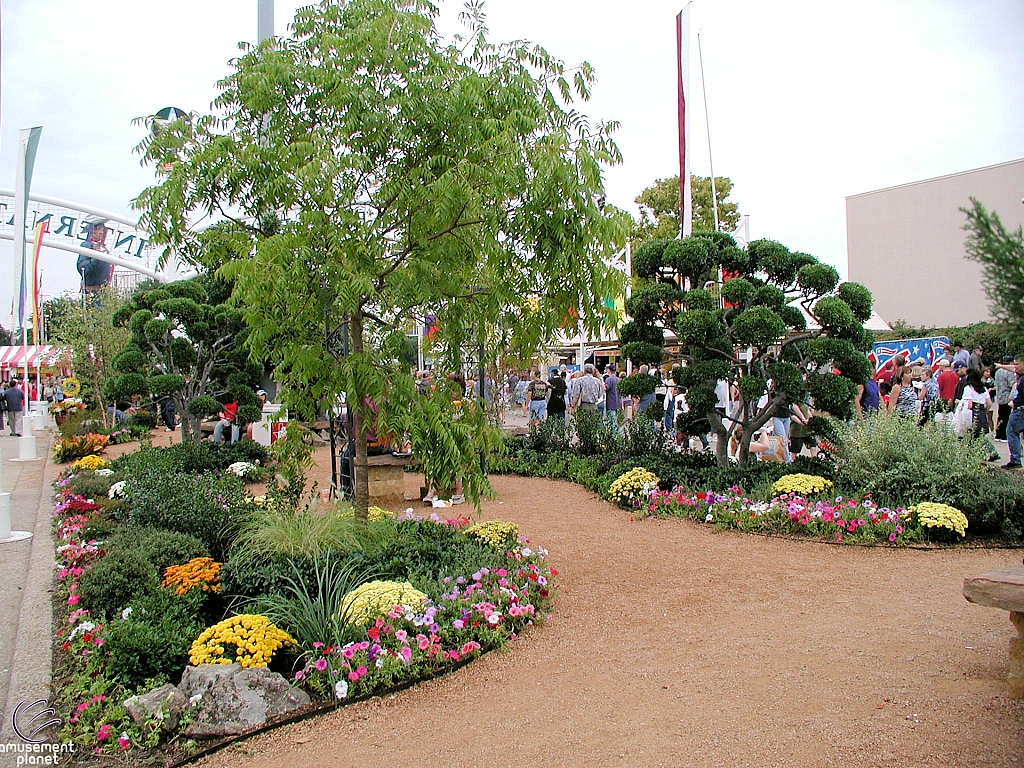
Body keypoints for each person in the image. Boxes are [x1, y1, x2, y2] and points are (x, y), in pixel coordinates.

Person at [963, 369, 1000, 462]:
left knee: (974, 433)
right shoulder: (983, 388)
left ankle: (992, 451)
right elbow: (989, 403)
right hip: (982, 410)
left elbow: (970, 404)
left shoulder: (968, 388)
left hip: (973, 411)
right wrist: (985, 411)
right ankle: (972, 453)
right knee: (978, 434)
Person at [1003, 355, 1024, 470]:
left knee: (1011, 431)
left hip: (1020, 410)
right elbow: (1011, 368)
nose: (1015, 367)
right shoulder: (1020, 376)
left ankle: (1015, 459)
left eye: (1017, 364)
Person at [995, 355, 1016, 441]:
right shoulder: (1009, 373)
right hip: (1007, 395)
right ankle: (1004, 435)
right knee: (1006, 416)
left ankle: (998, 434)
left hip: (999, 395)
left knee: (1000, 416)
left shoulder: (998, 372)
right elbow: (1012, 384)